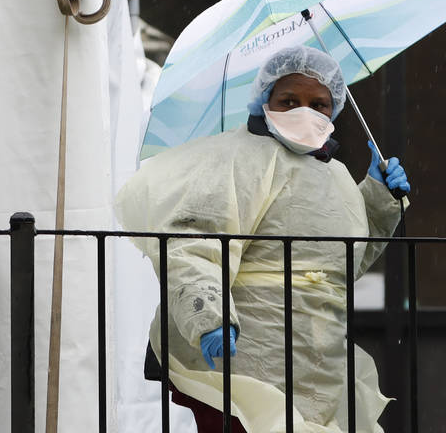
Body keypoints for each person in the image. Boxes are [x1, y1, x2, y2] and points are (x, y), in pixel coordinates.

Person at [116, 45, 410, 433]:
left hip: (317, 359)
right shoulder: (237, 158)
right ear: (263, 101)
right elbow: (194, 240)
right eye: (289, 100)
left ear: (335, 109)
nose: (305, 111)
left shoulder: (335, 174)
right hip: (242, 352)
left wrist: (378, 198)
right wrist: (210, 317)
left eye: (318, 103)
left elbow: (341, 261)